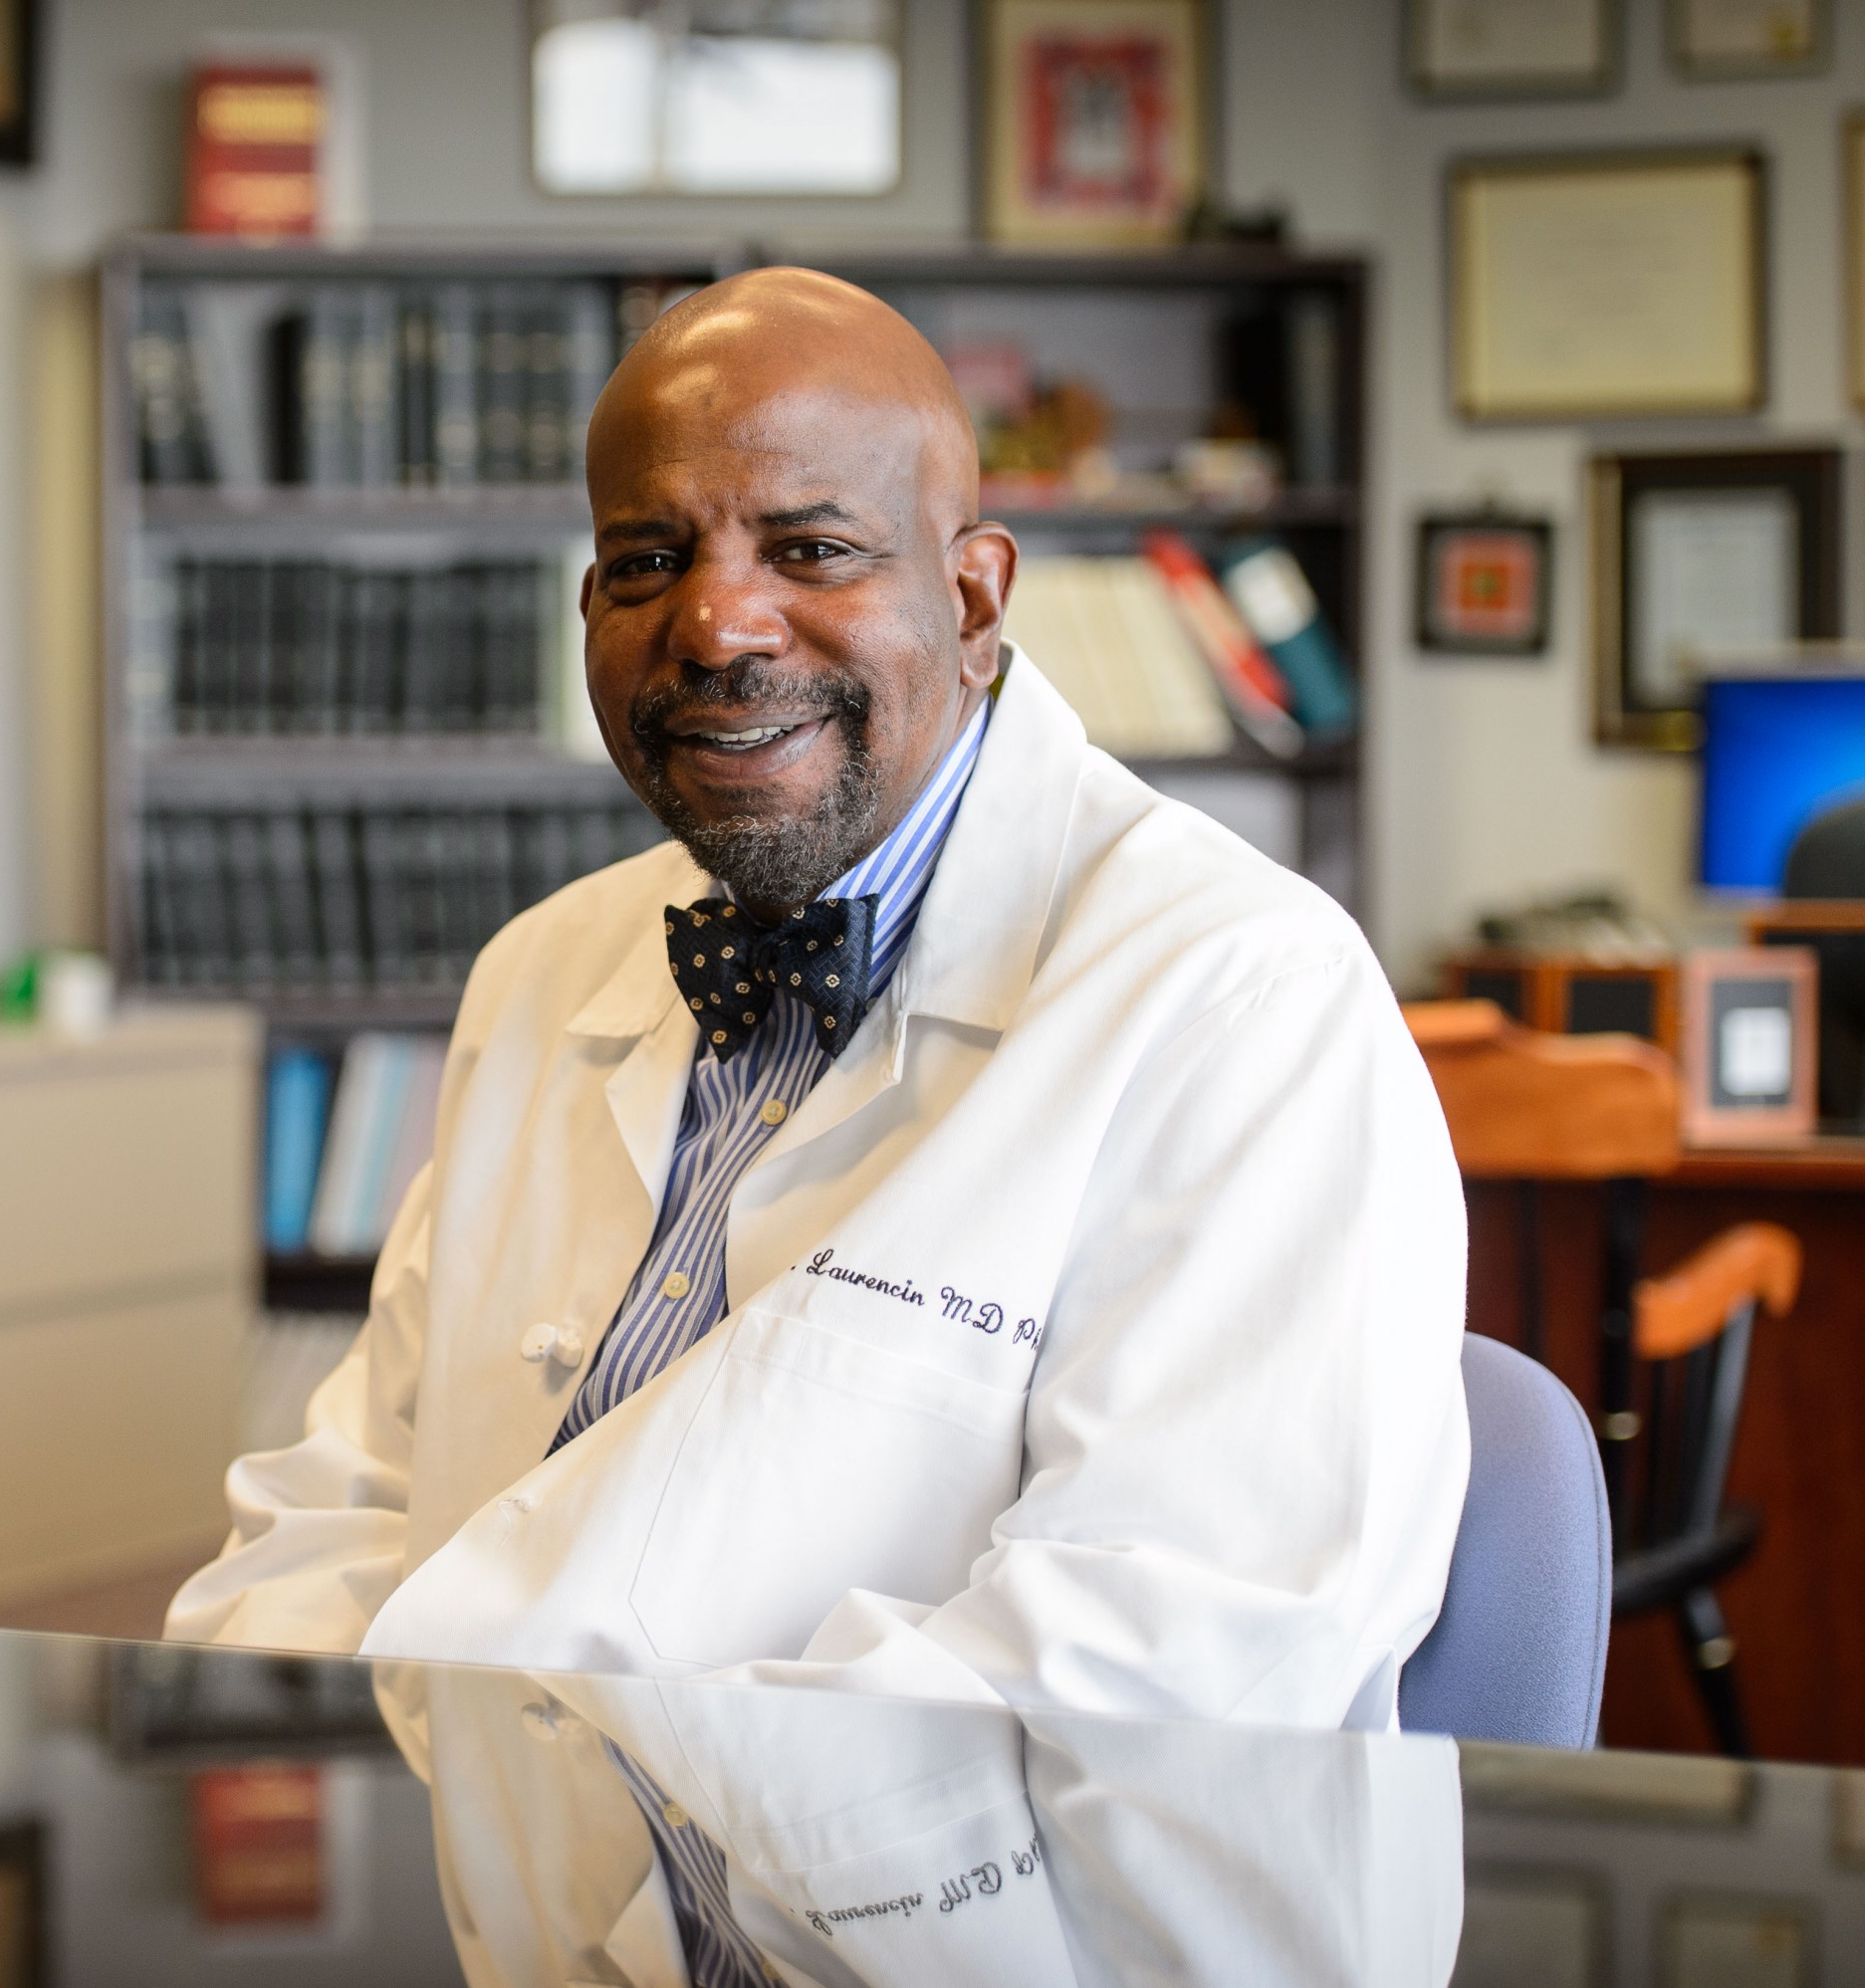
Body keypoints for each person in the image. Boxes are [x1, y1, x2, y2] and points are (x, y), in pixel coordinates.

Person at [167, 269, 1469, 1740]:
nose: (719, 626)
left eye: (813, 548)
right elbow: (337, 1516)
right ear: (589, 605)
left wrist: (600, 1781)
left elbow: (1159, 1670)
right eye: (649, 559)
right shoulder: (539, 970)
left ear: (973, 601)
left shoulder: (1245, 1002)